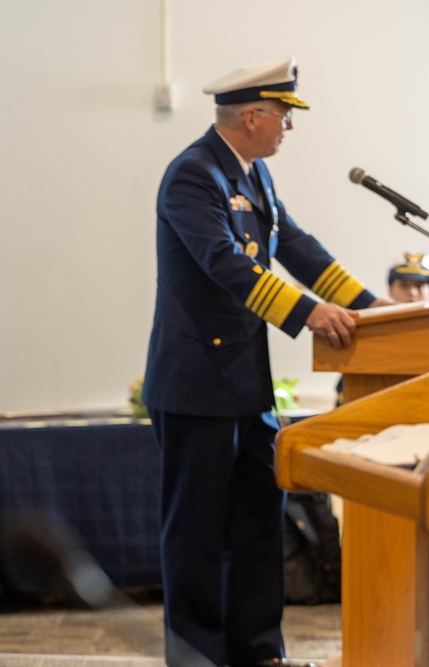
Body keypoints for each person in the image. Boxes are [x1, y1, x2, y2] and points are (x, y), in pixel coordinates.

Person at [142, 58, 389, 667]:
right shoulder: (192, 176)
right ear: (251, 116)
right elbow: (225, 263)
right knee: (196, 533)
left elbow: (297, 246)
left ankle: (257, 651)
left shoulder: (253, 177)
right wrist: (309, 313)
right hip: (195, 385)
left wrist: (373, 308)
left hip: (246, 387)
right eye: (284, 115)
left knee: (258, 522)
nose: (289, 127)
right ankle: (197, 655)